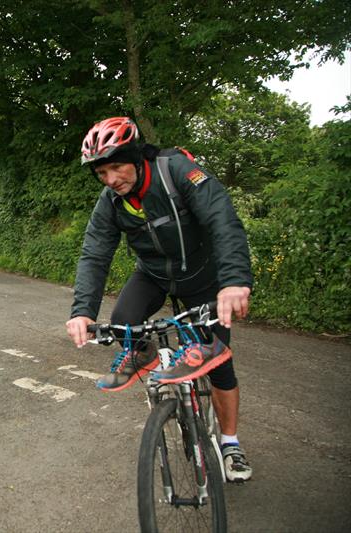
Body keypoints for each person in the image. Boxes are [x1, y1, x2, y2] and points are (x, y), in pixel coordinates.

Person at [65, 117, 253, 482]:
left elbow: (222, 220)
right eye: (102, 172)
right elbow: (94, 254)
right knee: (123, 323)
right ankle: (150, 355)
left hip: (202, 278)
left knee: (217, 361)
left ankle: (230, 443)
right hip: (153, 276)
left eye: (117, 167)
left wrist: (233, 283)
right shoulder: (111, 202)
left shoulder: (176, 171)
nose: (111, 179)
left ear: (137, 158)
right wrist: (82, 313)